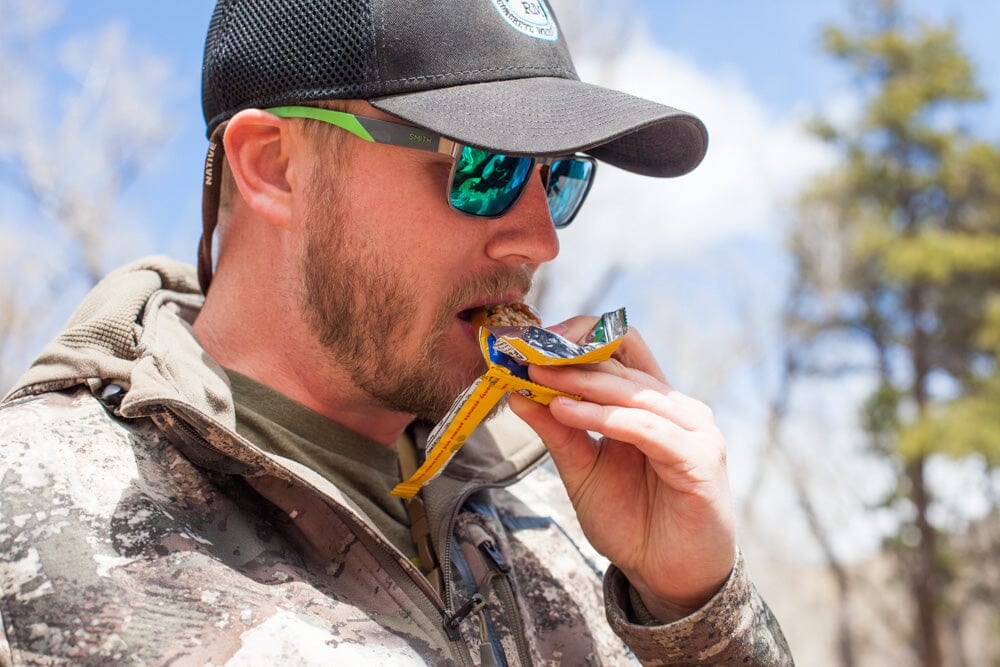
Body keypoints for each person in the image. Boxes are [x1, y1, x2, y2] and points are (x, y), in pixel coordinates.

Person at [0, 1, 792, 664]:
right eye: (486, 166)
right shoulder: (34, 509)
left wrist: (690, 609)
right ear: (275, 165)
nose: (543, 240)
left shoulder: (567, 501)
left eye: (560, 174)